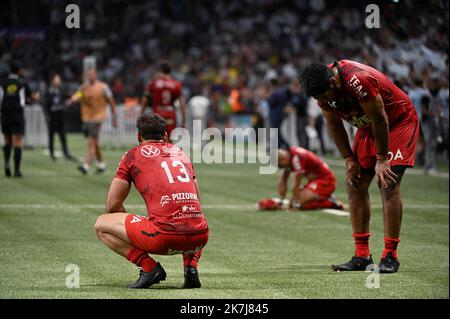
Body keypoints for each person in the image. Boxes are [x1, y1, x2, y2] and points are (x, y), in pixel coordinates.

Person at [301, 60, 419, 273]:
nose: (326, 102)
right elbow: (334, 125)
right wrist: (349, 158)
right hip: (368, 127)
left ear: (333, 81)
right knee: (354, 184)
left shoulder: (358, 80)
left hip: (397, 123)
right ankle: (362, 255)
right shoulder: (323, 92)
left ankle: (390, 255)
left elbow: (380, 119)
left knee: (387, 183)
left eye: (326, 97)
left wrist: (382, 160)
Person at [94, 113, 209, 289]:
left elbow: (112, 205)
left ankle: (149, 268)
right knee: (190, 214)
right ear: (165, 136)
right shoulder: (181, 153)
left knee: (102, 224)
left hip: (163, 238)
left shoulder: (132, 155)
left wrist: (131, 228)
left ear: (139, 137)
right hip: (200, 238)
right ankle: (191, 268)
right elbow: (197, 202)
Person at [66, 67, 117, 175]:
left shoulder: (103, 87)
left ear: (95, 75)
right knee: (94, 141)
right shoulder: (84, 87)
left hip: (98, 117)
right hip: (87, 118)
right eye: (89, 74)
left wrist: (114, 116)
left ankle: (86, 165)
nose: (90, 76)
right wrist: (71, 100)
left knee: (92, 141)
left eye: (92, 74)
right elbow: (78, 95)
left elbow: (111, 101)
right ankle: (102, 163)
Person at [0, 62, 39, 177]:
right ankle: (17, 170)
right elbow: (33, 98)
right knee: (17, 142)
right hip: (17, 115)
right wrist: (36, 96)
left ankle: (7, 164)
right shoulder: (22, 83)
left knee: (7, 140)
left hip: (5, 114)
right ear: (19, 71)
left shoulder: (2, 83)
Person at [277, 147, 343, 210]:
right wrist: (281, 200)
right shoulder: (289, 155)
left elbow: (296, 184)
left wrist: (296, 205)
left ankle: (331, 203)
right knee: (292, 203)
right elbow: (283, 181)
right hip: (316, 180)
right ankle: (322, 198)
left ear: (283, 159)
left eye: (280, 165)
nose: (280, 167)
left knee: (298, 203)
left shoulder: (297, 158)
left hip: (326, 181)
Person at [141, 62, 186, 138]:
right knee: (170, 139)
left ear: (160, 71)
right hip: (170, 112)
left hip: (158, 112)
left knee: (157, 138)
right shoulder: (176, 84)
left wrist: (141, 113)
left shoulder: (154, 83)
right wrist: (184, 119)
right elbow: (182, 102)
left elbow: (145, 98)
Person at [44, 73, 75, 161]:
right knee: (51, 136)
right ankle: (52, 153)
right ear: (52, 81)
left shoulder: (61, 90)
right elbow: (45, 105)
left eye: (59, 79)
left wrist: (70, 99)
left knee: (63, 136)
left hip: (60, 117)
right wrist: (47, 116)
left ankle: (66, 153)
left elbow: (66, 97)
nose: (59, 81)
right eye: (57, 79)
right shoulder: (48, 91)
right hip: (52, 117)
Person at [286, 78, 309, 149]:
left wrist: (293, 109)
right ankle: (303, 146)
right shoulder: (294, 95)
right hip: (298, 116)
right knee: (299, 132)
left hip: (303, 115)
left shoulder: (301, 94)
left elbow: (303, 105)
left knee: (301, 132)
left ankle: (303, 147)